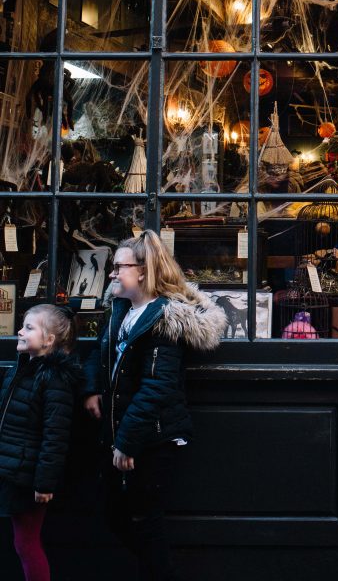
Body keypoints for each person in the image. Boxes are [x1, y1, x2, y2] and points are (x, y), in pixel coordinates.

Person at [83, 230, 226, 581]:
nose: (113, 274)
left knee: (145, 522)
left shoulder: (164, 318)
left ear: (144, 271)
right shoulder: (121, 308)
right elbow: (98, 353)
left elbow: (156, 387)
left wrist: (127, 442)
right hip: (122, 433)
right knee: (114, 515)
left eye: (120, 267)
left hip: (154, 438)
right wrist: (90, 389)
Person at [0, 304, 82, 581]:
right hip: (10, 468)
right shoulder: (21, 368)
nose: (20, 332)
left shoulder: (54, 379)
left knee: (26, 542)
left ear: (49, 340)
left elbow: (55, 435)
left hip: (28, 477)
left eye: (29, 328)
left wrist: (44, 482)